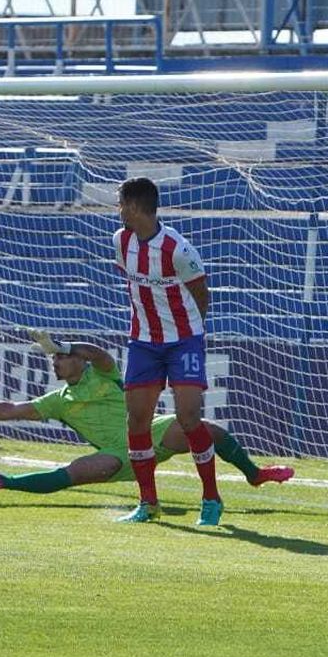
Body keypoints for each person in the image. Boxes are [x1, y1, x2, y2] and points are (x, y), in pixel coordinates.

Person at [0, 330, 293, 496]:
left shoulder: (102, 372)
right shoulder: (58, 400)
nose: (56, 361)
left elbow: (99, 353)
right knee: (79, 470)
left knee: (207, 430)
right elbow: (12, 409)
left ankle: (254, 473)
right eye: (54, 358)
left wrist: (67, 344)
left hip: (150, 433)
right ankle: (0, 481)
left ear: (77, 359)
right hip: (117, 454)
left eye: (61, 356)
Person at [113, 177, 221, 525]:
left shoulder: (177, 248)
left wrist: (192, 332)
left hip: (183, 340)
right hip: (143, 342)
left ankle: (211, 498)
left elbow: (202, 294)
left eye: (121, 204)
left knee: (188, 417)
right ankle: (148, 503)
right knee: (138, 420)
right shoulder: (120, 241)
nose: (118, 211)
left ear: (133, 206)